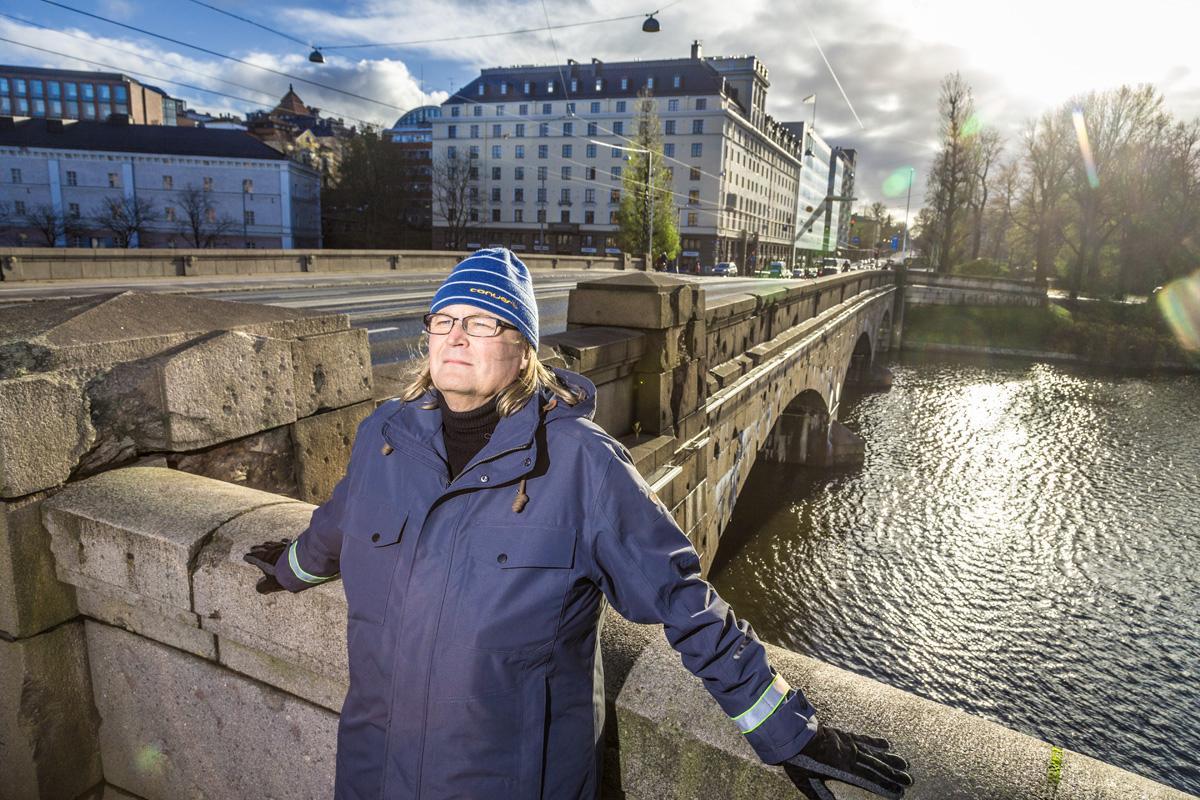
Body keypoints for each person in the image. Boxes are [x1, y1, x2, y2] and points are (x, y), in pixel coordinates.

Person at [245, 248, 912, 800]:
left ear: (522, 350)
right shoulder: (384, 439)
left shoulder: (579, 463)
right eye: (443, 320)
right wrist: (293, 566)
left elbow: (683, 600)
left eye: (480, 323)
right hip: (373, 773)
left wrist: (786, 729)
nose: (453, 336)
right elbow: (340, 522)